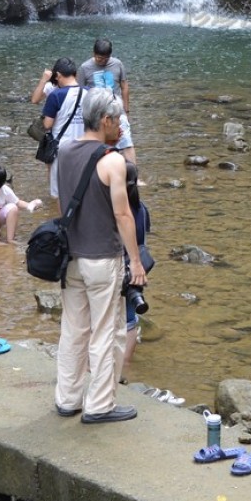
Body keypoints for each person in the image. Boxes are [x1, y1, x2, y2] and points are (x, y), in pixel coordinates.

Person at [50, 89, 145, 424]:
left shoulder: (64, 150)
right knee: (106, 331)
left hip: (70, 258)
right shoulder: (113, 160)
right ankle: (100, 405)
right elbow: (123, 216)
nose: (120, 126)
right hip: (103, 259)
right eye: (117, 120)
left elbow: (63, 203)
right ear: (105, 120)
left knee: (73, 329)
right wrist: (135, 261)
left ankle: (67, 398)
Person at [118, 162, 155, 381]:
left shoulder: (115, 209)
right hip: (136, 269)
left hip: (115, 266)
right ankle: (126, 365)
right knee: (130, 318)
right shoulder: (142, 209)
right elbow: (142, 241)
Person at [34, 58, 87, 205]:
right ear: (75, 74)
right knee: (81, 189)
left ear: (57, 75)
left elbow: (47, 124)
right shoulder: (89, 93)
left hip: (62, 148)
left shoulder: (56, 95)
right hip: (85, 147)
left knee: (58, 194)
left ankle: (60, 222)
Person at [78, 38, 136, 165]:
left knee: (126, 141)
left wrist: (126, 110)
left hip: (116, 110)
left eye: (106, 58)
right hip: (96, 113)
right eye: (100, 58)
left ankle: (133, 176)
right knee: (99, 143)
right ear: (93, 54)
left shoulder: (117, 64)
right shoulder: (85, 67)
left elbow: (124, 86)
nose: (103, 61)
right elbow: (80, 92)